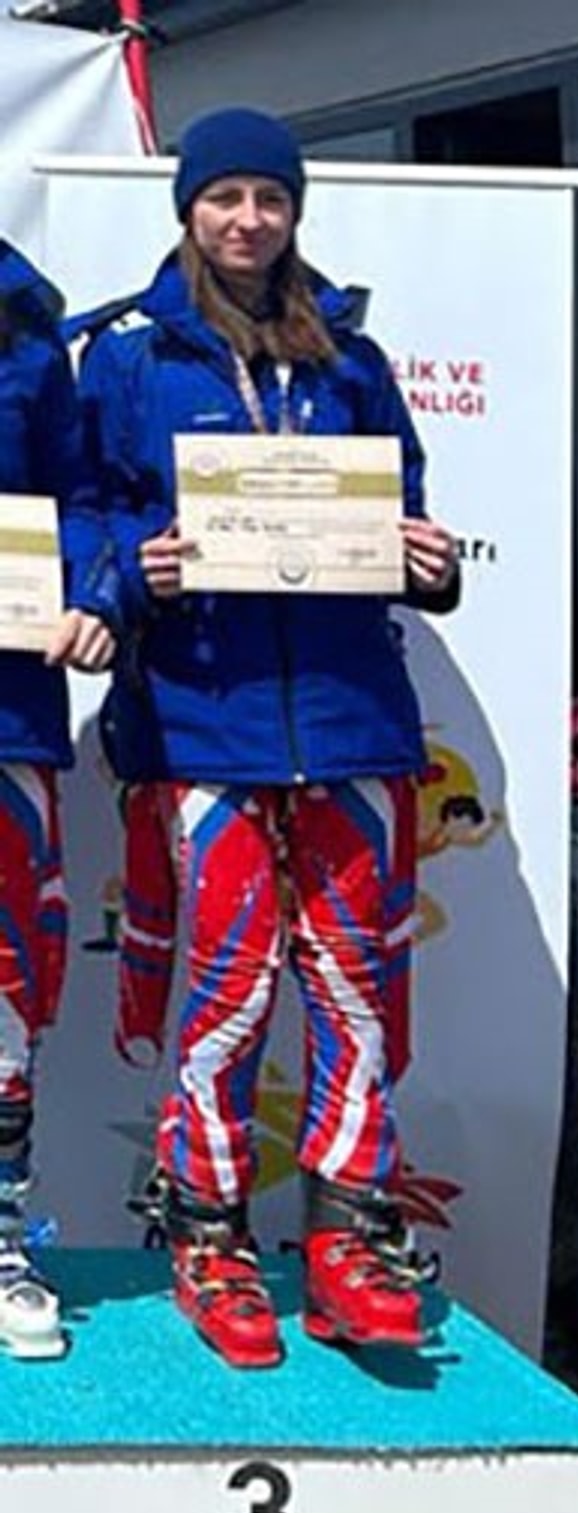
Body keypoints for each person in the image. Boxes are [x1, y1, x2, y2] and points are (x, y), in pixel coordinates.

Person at [76, 107, 460, 1370]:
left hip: (350, 720)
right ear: (188, 208)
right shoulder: (129, 360)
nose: (248, 220)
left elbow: (402, 503)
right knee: (232, 988)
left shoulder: (350, 356)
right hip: (205, 719)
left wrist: (428, 559)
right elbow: (88, 512)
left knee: (355, 986)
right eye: (225, 196)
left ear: (295, 212)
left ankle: (349, 1234)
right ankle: (209, 1233)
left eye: (270, 199)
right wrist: (129, 573)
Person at [0, 240, 115, 1359]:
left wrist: (93, 598)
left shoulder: (29, 339)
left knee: (3, 989)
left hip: (7, 712)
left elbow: (79, 502)